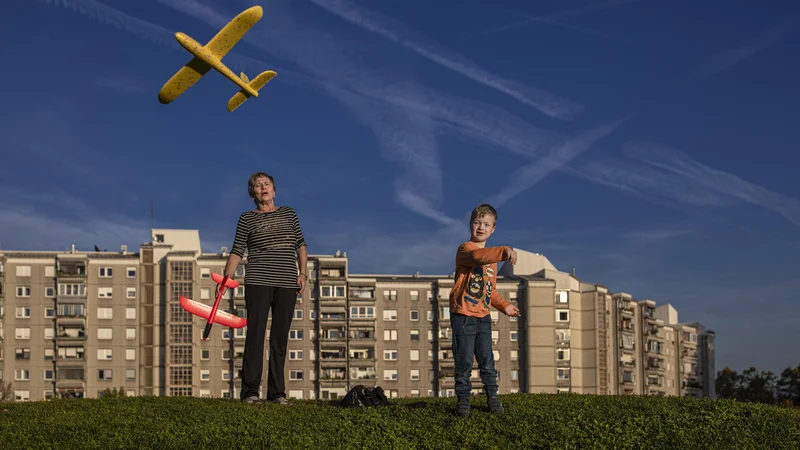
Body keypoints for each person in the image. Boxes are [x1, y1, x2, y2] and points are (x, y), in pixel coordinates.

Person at [222, 171, 308, 405]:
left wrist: (303, 273)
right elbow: (238, 249)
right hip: (258, 281)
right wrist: (226, 277)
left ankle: (277, 393)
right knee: (255, 336)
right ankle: (250, 392)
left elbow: (300, 245)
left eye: (266, 184)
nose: (263, 188)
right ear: (253, 193)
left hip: (287, 282)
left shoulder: (289, 214)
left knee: (279, 339)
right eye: (258, 185)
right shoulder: (247, 218)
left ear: (274, 189)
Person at [449, 203, 520, 417]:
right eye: (477, 222)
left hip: (483, 318)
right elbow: (478, 257)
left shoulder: (493, 263)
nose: (481, 227)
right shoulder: (466, 249)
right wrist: (505, 250)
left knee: (488, 362)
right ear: (471, 224)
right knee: (464, 362)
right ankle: (463, 402)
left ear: (493, 229)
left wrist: (504, 305)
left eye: (486, 224)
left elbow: (489, 291)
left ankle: (493, 398)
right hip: (463, 316)